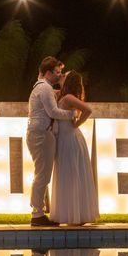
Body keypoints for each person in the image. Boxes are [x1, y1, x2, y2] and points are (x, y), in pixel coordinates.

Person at [27, 57, 75, 227]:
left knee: (42, 174)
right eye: (57, 72)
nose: (59, 75)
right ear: (48, 73)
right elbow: (53, 112)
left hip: (40, 134)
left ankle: (38, 212)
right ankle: (37, 214)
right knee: (42, 175)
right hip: (41, 135)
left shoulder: (42, 87)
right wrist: (72, 114)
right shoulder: (45, 88)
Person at [50, 71, 99, 226]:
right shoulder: (60, 95)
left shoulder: (69, 98)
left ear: (69, 80)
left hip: (71, 139)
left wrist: (76, 124)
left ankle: (75, 216)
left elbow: (88, 110)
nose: (61, 75)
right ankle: (72, 215)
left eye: (64, 74)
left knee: (72, 175)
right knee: (68, 175)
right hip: (64, 140)